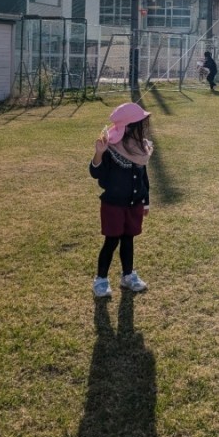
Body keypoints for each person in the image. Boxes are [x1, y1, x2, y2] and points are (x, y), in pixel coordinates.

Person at [90, 102, 153, 298]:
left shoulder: (140, 148)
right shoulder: (111, 148)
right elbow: (96, 173)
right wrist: (99, 153)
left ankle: (128, 275)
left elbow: (143, 178)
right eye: (140, 124)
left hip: (134, 204)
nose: (143, 128)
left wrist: (146, 201)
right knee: (111, 241)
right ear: (129, 127)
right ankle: (101, 279)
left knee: (128, 239)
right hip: (113, 205)